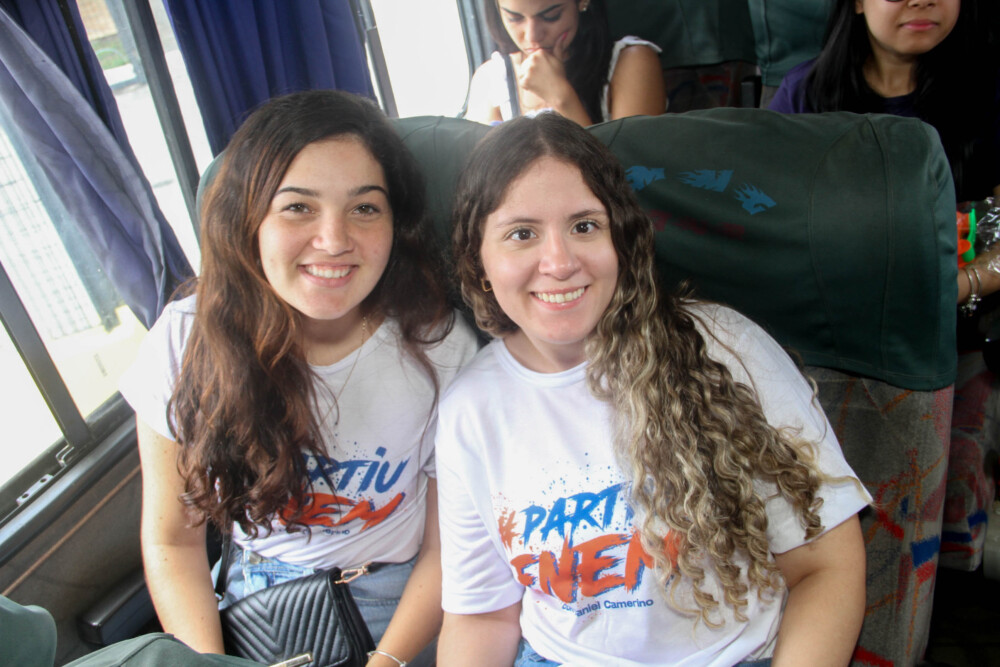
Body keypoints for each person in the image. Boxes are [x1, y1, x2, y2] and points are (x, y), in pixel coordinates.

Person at [435, 113, 871, 667]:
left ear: (620, 237)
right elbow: (483, 616)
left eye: (585, 226)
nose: (560, 263)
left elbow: (825, 566)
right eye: (522, 234)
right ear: (479, 261)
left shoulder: (722, 349)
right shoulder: (469, 410)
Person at [119, 90, 479, 666]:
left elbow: (447, 548)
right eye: (298, 207)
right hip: (261, 598)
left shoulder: (440, 347)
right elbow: (173, 540)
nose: (334, 240)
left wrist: (386, 662)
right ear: (249, 219)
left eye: (365, 208)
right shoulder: (185, 342)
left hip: (405, 597)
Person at [769, 0, 1000, 310]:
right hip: (835, 308)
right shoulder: (805, 93)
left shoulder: (989, 89)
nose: (922, 1)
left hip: (967, 310)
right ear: (858, 3)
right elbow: (766, 219)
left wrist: (960, 285)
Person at [464, 0, 666, 125]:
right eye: (514, 18)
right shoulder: (492, 79)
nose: (532, 36)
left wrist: (560, 97)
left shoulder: (632, 61)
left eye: (551, 16)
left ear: (582, 2)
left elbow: (627, 172)